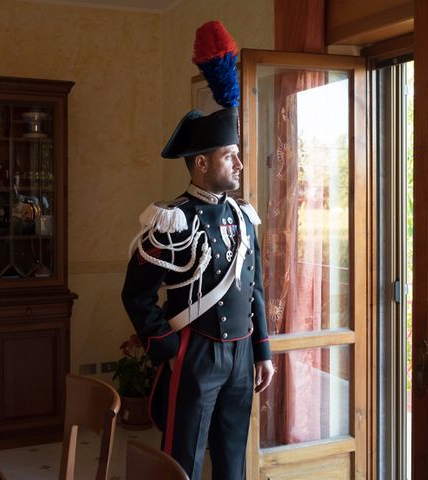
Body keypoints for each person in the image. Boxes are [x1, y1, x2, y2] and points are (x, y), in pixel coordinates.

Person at [121, 20, 274, 480]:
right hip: (195, 355)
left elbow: (256, 288)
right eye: (231, 156)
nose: (240, 163)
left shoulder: (245, 217)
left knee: (233, 461)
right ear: (202, 163)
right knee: (181, 460)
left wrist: (263, 349)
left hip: (242, 357)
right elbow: (137, 294)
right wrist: (168, 348)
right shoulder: (174, 220)